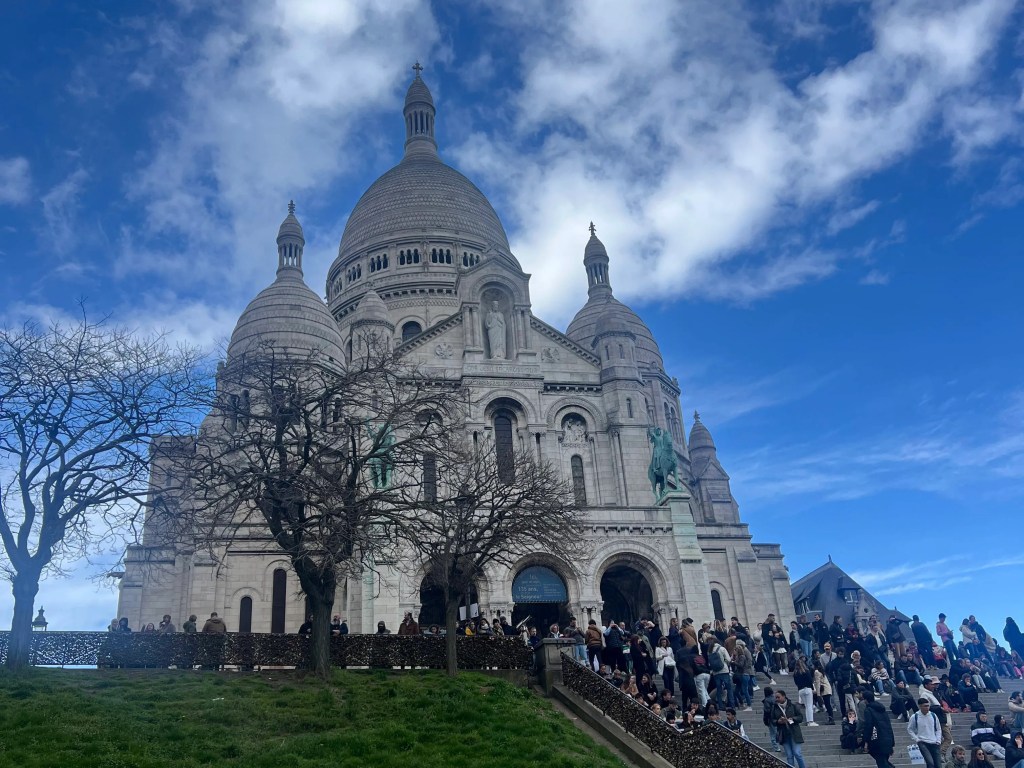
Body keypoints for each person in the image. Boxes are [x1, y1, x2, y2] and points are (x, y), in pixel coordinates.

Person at [859, 690, 896, 768]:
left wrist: (866, 741)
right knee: (884, 761)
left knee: (882, 763)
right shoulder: (882, 709)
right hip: (887, 739)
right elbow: (888, 725)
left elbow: (868, 726)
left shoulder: (868, 710)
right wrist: (892, 742)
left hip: (877, 740)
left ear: (865, 700)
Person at [773, 689, 807, 768]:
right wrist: (778, 721)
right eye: (776, 698)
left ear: (784, 696)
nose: (777, 699)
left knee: (797, 753)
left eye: (778, 697)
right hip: (783, 733)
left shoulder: (793, 705)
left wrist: (792, 719)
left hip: (794, 732)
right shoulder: (774, 707)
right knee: (789, 755)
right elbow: (772, 720)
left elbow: (800, 717)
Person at [907, 698, 943, 768]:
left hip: (934, 742)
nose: (927, 708)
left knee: (938, 765)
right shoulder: (915, 716)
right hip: (923, 742)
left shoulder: (933, 715)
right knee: (930, 763)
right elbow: (910, 729)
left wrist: (938, 740)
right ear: (920, 706)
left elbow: (938, 729)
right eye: (925, 706)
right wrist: (917, 739)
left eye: (928, 706)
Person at [793, 658, 817, 727]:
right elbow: (810, 681)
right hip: (807, 689)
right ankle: (810, 721)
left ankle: (808, 721)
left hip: (800, 690)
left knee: (807, 706)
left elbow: (796, 683)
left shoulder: (795, 673)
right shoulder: (806, 671)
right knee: (810, 706)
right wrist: (812, 688)